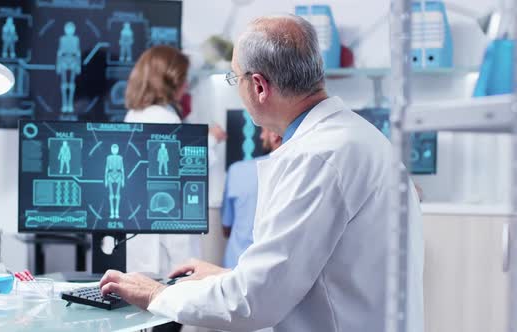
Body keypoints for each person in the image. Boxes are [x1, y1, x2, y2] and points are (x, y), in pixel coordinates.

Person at [101, 15, 424, 332]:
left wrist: (158, 294)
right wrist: (226, 277)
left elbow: (253, 302)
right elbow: (302, 274)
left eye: (234, 78)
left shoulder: (318, 158)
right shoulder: (354, 137)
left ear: (258, 86)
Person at [123, 45, 226, 332]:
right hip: (163, 248)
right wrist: (211, 140)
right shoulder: (165, 120)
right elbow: (181, 174)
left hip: (141, 244)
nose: (186, 86)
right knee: (166, 320)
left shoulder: (134, 116)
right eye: (183, 79)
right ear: (170, 80)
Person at [221, 127, 281, 268]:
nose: (261, 137)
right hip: (274, 270)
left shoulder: (237, 170)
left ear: (274, 134)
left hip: (235, 268)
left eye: (264, 131)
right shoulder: (300, 172)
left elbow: (226, 228)